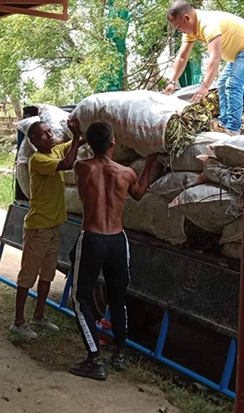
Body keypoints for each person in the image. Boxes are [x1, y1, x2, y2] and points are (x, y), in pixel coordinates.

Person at [68, 122, 161, 380]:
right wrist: (151, 161)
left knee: (81, 298)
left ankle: (94, 359)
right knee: (118, 299)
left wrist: (78, 137)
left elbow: (73, 158)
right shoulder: (127, 172)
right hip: (118, 241)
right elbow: (140, 194)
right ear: (113, 145)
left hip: (93, 239)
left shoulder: (82, 167)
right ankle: (120, 352)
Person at [11, 118, 84, 340]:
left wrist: (81, 133)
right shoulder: (39, 159)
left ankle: (39, 316)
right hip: (38, 228)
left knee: (47, 274)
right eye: (44, 133)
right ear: (33, 140)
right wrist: (75, 140)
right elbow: (68, 163)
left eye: (50, 131)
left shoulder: (54, 150)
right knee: (28, 276)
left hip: (53, 226)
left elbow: (74, 142)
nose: (50, 135)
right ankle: (18, 322)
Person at [164, 0, 244, 135]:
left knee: (233, 84)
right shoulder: (190, 31)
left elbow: (215, 57)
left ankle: (233, 129)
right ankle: (223, 123)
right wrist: (172, 81)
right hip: (237, 54)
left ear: (187, 18)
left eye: (178, 27)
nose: (179, 30)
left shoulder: (208, 24)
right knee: (222, 84)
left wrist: (205, 86)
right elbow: (182, 57)